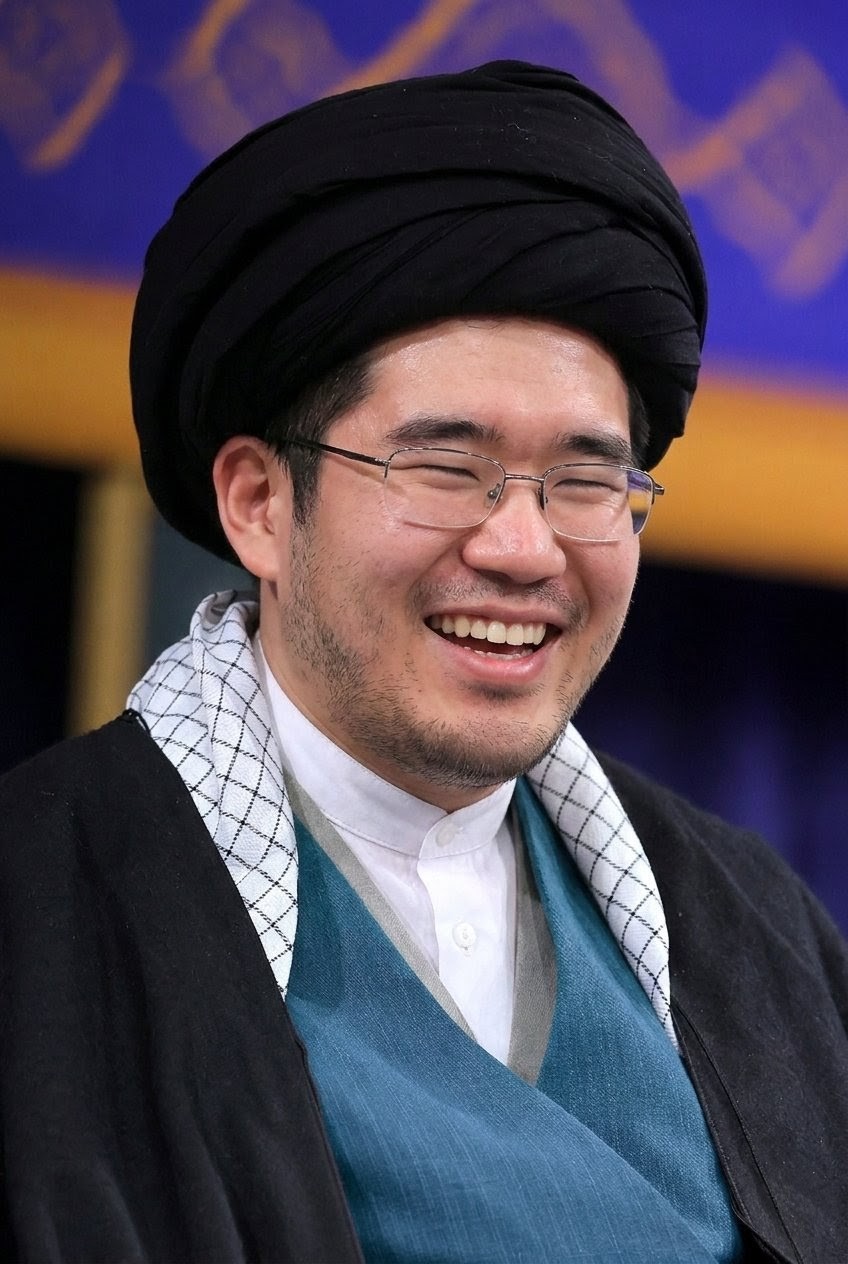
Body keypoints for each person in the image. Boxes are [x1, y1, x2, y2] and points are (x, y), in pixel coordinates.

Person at [1, 60, 846, 1264]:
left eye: (585, 480)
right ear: (257, 504)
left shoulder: (753, 929)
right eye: (446, 469)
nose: (522, 546)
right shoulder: (38, 920)